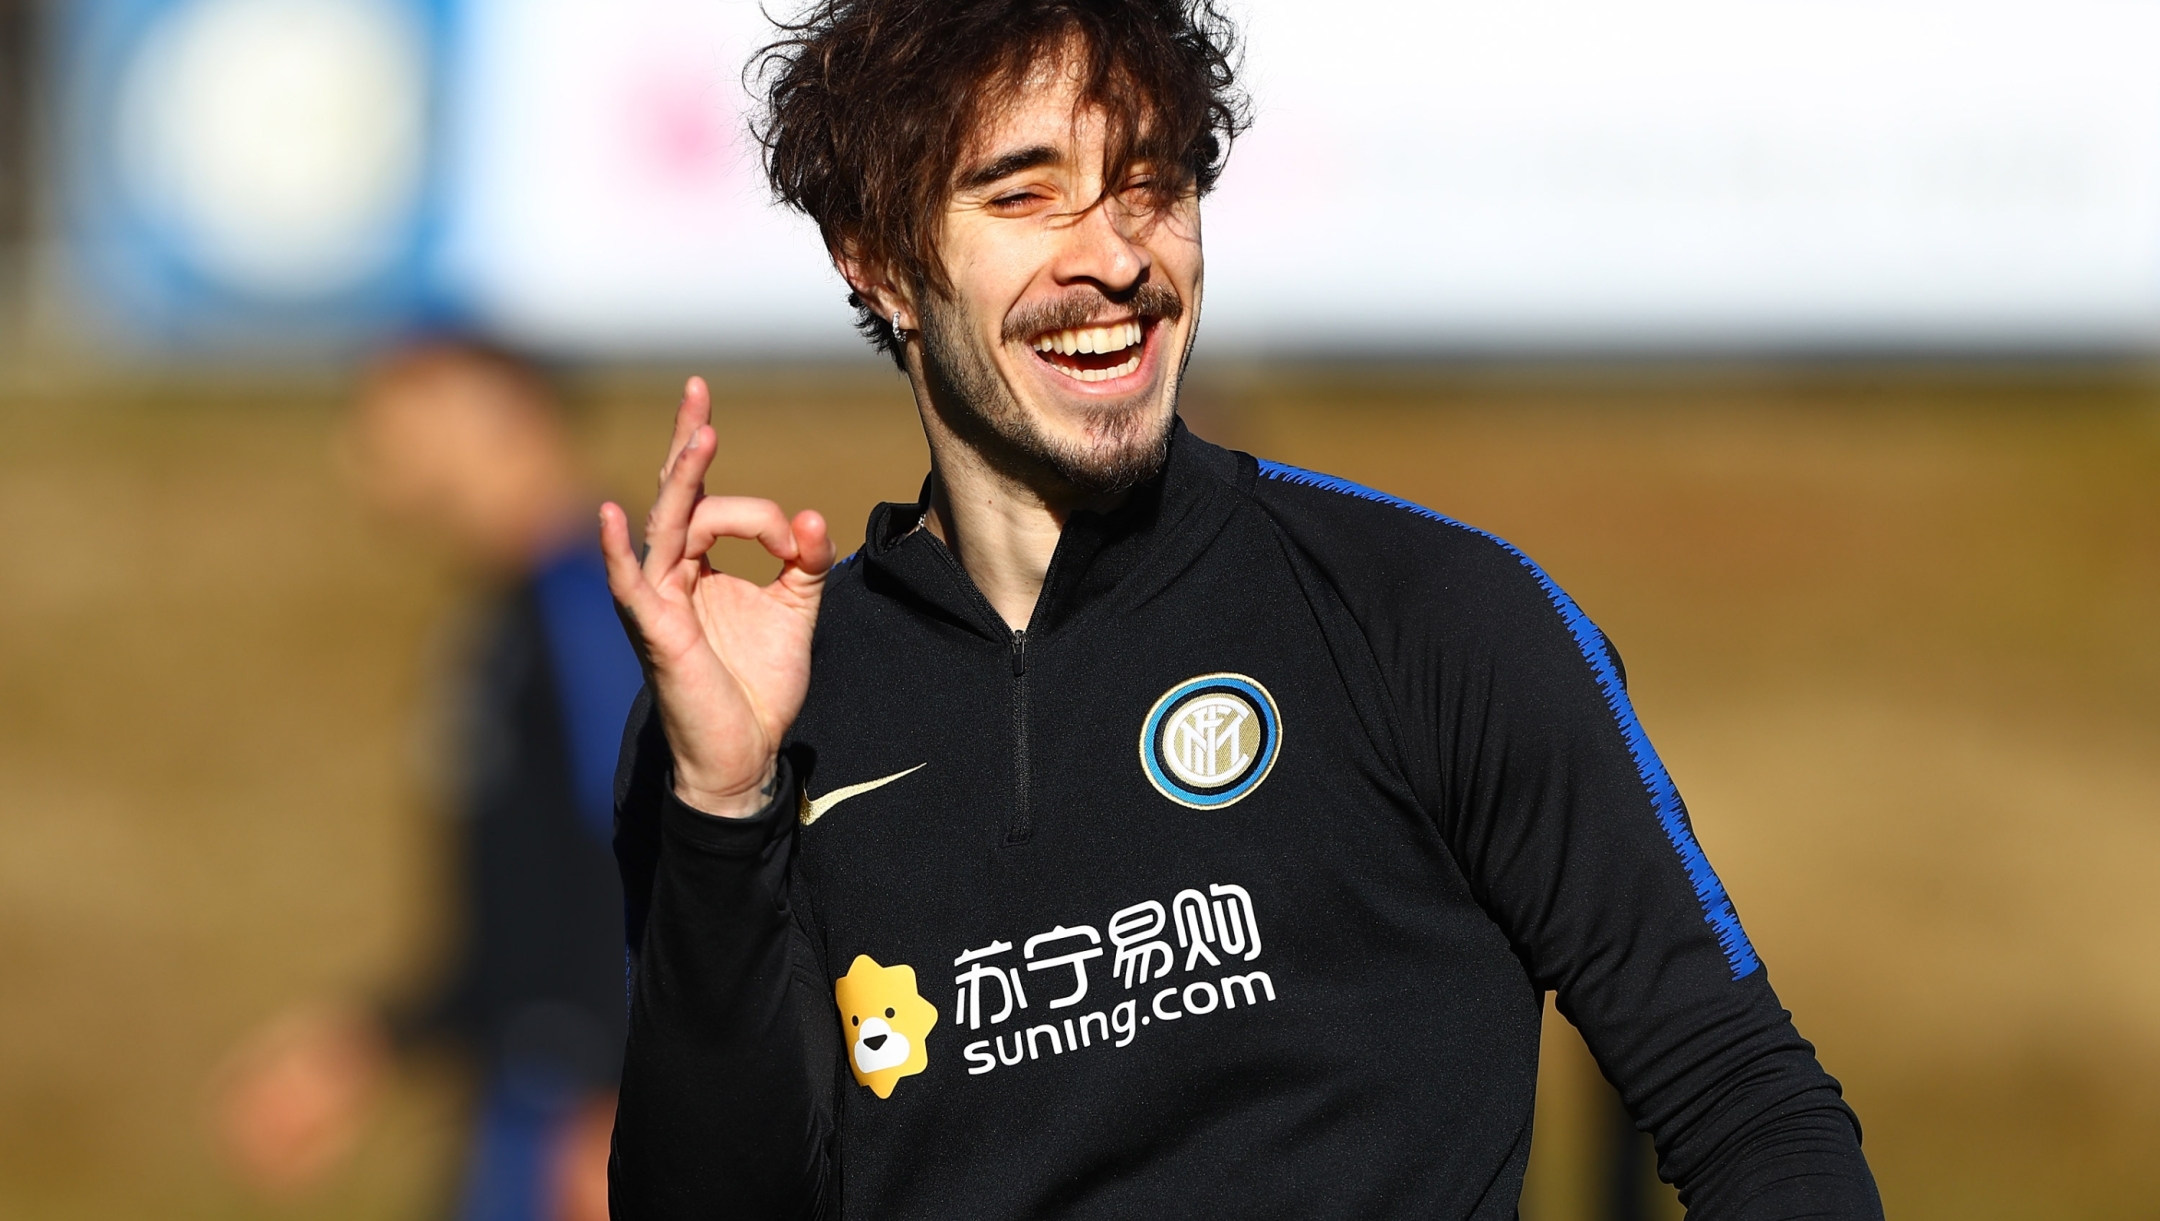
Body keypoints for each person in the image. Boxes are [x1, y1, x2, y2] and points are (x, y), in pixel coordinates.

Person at [600, 1, 1884, 1216]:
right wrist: (721, 807)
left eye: (1151, 184)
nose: (1112, 257)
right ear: (875, 258)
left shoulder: (1428, 615)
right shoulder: (765, 720)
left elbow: (1749, 1106)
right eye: (1026, 192)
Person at [216, 344, 639, 1221]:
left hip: (576, 1123)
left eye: (399, 411)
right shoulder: (504, 614)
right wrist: (369, 1043)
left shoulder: (595, 602)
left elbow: (657, 848)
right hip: (516, 1104)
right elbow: (518, 915)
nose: (363, 448)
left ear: (497, 412)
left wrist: (624, 1099)